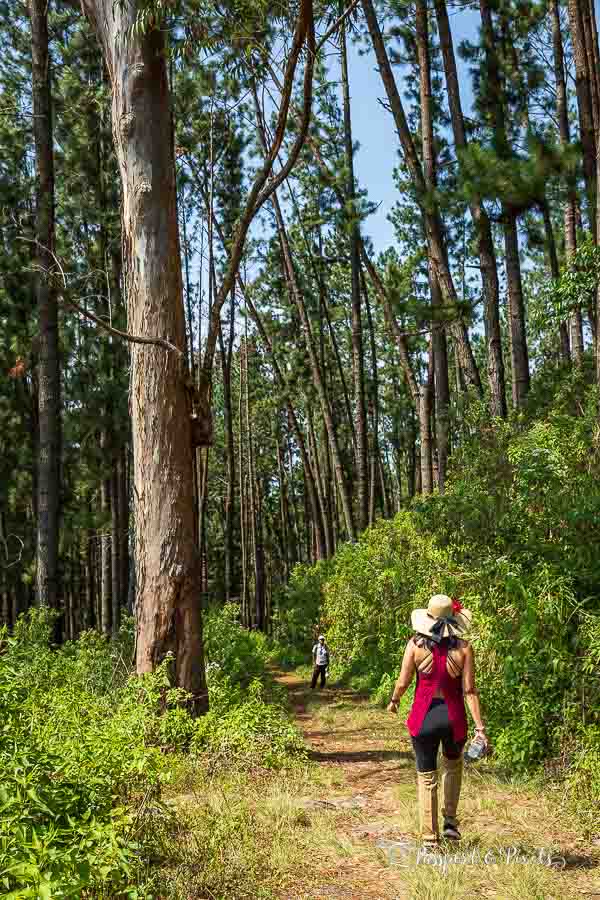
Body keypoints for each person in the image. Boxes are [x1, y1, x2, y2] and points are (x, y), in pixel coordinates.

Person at [387, 594, 489, 845]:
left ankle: (429, 839)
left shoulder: (414, 645)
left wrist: (394, 700)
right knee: (453, 767)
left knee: (427, 776)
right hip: (454, 718)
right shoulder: (464, 648)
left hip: (424, 718)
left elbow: (403, 682)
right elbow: (469, 691)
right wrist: (480, 728)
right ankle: (450, 824)